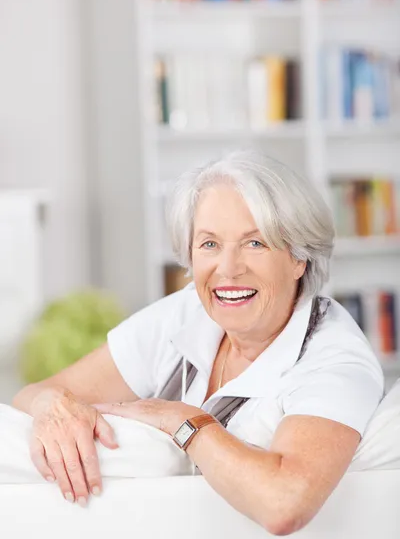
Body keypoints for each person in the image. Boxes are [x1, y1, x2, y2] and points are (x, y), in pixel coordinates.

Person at [12, 151, 384, 535]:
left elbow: (283, 504)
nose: (228, 268)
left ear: (299, 259)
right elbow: (34, 394)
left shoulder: (335, 361)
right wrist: (53, 406)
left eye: (255, 243)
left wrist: (181, 420)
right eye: (209, 244)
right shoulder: (186, 310)